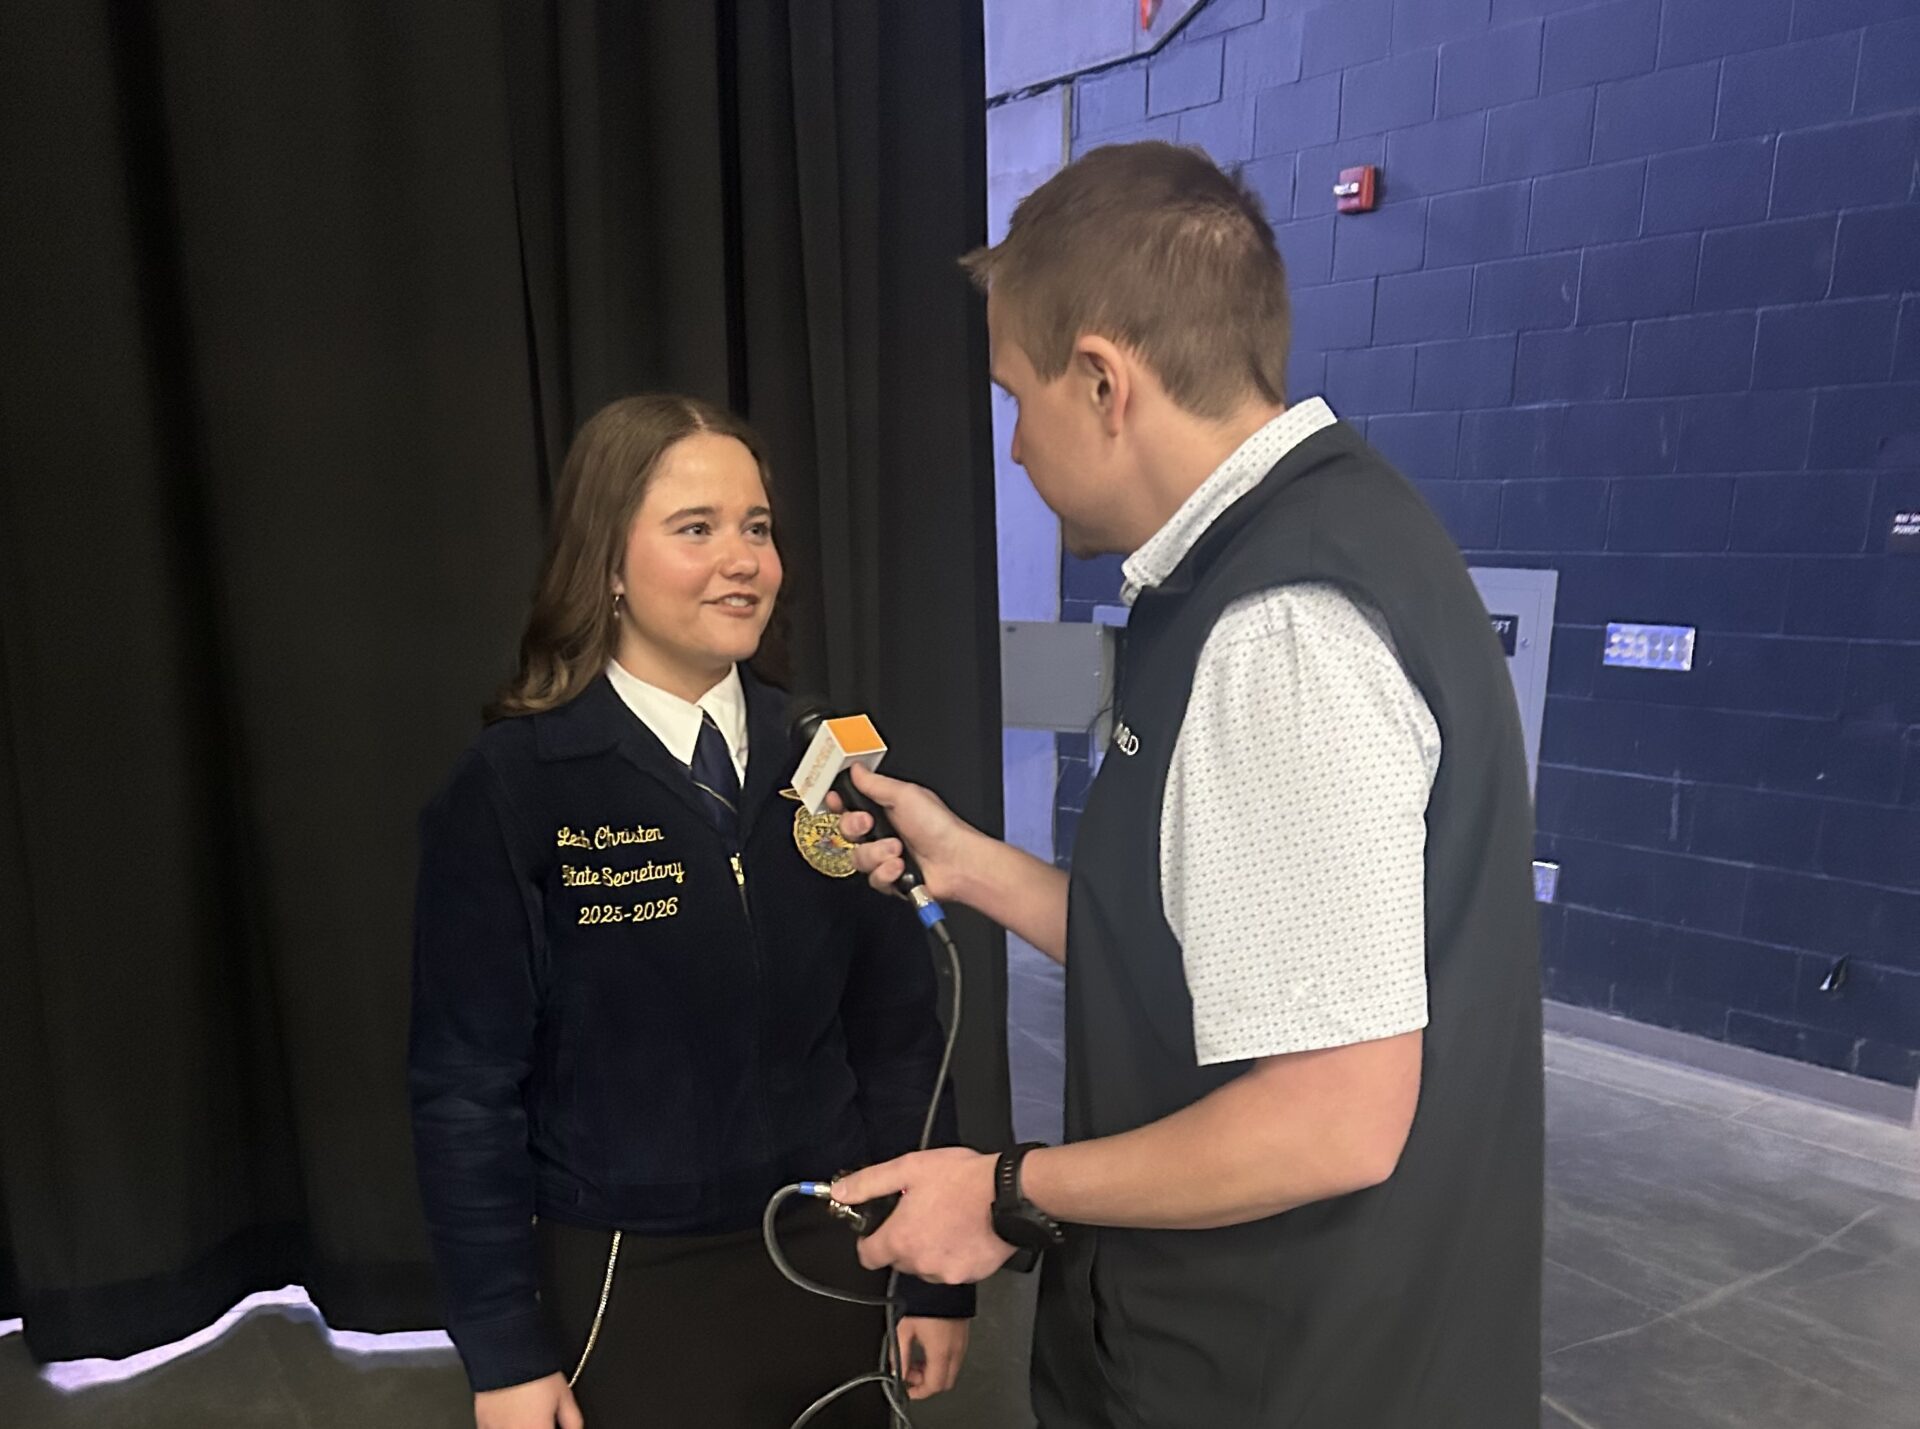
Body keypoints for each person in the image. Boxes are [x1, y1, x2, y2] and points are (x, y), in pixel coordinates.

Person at [829, 142, 1544, 1426]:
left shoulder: (1282, 628)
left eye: (1015, 398)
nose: (1013, 451)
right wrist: (968, 860)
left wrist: (1003, 1188)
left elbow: (1331, 1122)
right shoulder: (1295, 552)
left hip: (1282, 1372)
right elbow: (1208, 950)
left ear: (1102, 381)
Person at [409, 394, 972, 1429]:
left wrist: (935, 1275)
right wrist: (502, 1354)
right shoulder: (516, 786)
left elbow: (900, 1036)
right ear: (608, 563)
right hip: (628, 1273)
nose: (744, 560)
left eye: (756, 527)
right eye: (696, 528)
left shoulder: (832, 766)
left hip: (831, 1248)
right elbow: (463, 1092)